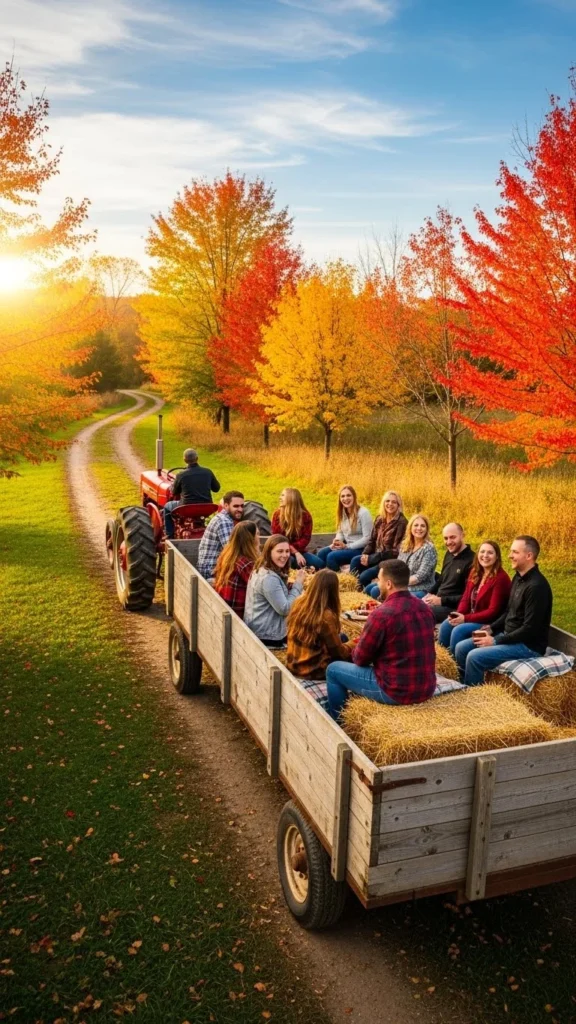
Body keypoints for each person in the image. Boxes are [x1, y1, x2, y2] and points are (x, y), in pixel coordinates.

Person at [325, 559, 436, 721]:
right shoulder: (425, 608)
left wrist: (358, 641)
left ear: (389, 584)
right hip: (426, 688)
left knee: (333, 670)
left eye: (379, 580)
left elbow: (360, 659)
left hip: (395, 691)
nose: (377, 584)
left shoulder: (381, 614)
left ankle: (336, 724)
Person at [454, 535, 553, 686]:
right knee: (461, 648)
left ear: (529, 556)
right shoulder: (518, 578)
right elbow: (508, 611)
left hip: (527, 646)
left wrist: (495, 640)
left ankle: (472, 698)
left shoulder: (536, 587)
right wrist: (492, 629)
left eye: (515, 552)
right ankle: (462, 684)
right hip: (509, 635)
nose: (509, 555)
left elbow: (530, 629)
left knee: (475, 657)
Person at [438, 541, 511, 655]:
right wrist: (459, 614)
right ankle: (441, 659)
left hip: (489, 622)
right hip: (471, 616)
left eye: (490, 553)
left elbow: (493, 612)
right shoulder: (475, 572)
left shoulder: (501, 579)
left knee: (459, 630)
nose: (485, 556)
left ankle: (454, 666)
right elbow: (466, 597)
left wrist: (465, 618)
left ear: (497, 557)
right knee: (447, 624)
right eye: (482, 552)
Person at [286, 569, 354, 679]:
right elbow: (339, 654)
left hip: (295, 665)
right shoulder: (325, 616)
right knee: (355, 651)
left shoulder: (299, 603)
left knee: (343, 637)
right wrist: (356, 643)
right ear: (334, 591)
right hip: (314, 671)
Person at [244, 535, 305, 647]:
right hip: (268, 635)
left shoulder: (262, 569)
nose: (285, 555)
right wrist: (298, 584)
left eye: (287, 551)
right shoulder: (269, 578)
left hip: (260, 628)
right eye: (280, 551)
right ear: (269, 552)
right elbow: (285, 609)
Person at [366, 513, 437, 599]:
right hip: (400, 584)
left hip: (420, 588)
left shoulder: (429, 549)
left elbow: (420, 576)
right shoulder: (405, 544)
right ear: (410, 528)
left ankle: (386, 610)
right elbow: (398, 566)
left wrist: (396, 583)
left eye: (422, 526)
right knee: (370, 588)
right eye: (416, 525)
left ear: (426, 529)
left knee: (376, 591)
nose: (419, 528)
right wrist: (387, 580)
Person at [350, 491, 407, 591]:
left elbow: (395, 552)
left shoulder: (402, 522)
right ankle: (352, 591)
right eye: (387, 501)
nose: (390, 504)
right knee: (355, 561)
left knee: (364, 576)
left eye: (394, 502)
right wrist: (365, 554)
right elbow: (372, 540)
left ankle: (364, 596)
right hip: (374, 556)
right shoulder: (380, 519)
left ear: (398, 505)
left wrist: (372, 558)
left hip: (388, 562)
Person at [422, 523, 474, 623]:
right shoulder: (449, 553)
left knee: (419, 612)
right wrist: (430, 593)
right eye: (446, 538)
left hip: (452, 607)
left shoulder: (471, 561)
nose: (449, 542)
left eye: (452, 537)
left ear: (463, 535)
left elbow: (467, 596)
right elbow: (442, 578)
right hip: (437, 600)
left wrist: (441, 600)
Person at [164, 449, 220, 540]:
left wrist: (173, 486)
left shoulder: (181, 475)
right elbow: (217, 489)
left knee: (167, 506)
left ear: (185, 460)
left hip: (186, 507)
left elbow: (174, 492)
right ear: (197, 458)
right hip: (206, 507)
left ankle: (169, 535)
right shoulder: (207, 472)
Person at [316, 485, 373, 571]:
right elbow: (340, 532)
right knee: (322, 553)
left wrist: (347, 546)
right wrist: (337, 541)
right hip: (346, 545)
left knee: (331, 557)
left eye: (348, 495)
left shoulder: (363, 513)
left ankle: (339, 579)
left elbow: (367, 538)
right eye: (342, 496)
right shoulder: (342, 512)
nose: (345, 498)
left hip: (360, 549)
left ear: (354, 496)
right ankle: (322, 578)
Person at [214, 520, 259, 619]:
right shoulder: (246, 563)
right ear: (251, 539)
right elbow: (261, 587)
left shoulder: (228, 555)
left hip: (225, 606)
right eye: (257, 534)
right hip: (238, 612)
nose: (258, 538)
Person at [271, 488, 324, 569]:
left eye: (282, 495)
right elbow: (278, 540)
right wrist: (295, 552)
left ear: (291, 498)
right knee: (290, 561)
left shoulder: (305, 516)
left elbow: (305, 539)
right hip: (282, 551)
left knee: (319, 564)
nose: (279, 497)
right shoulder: (277, 515)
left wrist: (296, 551)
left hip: (300, 551)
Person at [197, 491, 245, 580]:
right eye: (236, 506)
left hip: (212, 567)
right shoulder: (224, 521)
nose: (240, 509)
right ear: (226, 506)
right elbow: (231, 550)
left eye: (242, 506)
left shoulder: (224, 518)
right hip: (211, 571)